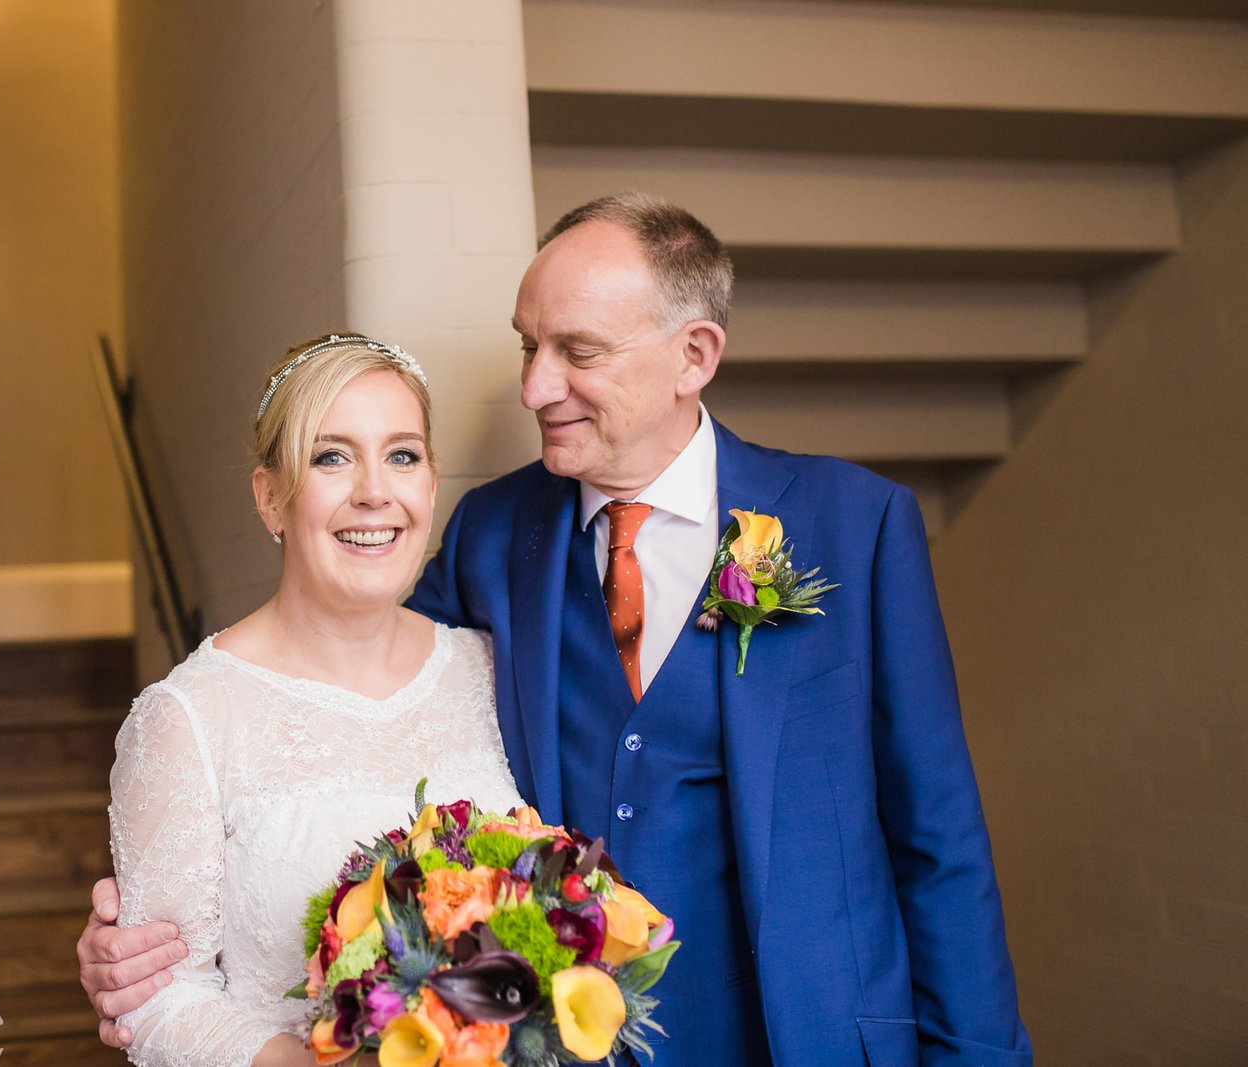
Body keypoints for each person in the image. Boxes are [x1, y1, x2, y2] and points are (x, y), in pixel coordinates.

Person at [81, 194, 1032, 1066]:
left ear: (692, 357)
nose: (536, 388)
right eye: (527, 345)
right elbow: (357, 700)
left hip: (813, 1038)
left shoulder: (853, 526)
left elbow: (939, 842)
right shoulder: (493, 534)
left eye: (576, 352)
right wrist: (140, 954)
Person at [103, 334, 523, 1066]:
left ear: (429, 485)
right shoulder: (188, 719)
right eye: (332, 456)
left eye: (402, 454)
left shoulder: (487, 670)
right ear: (270, 497)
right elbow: (157, 994)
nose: (374, 490)